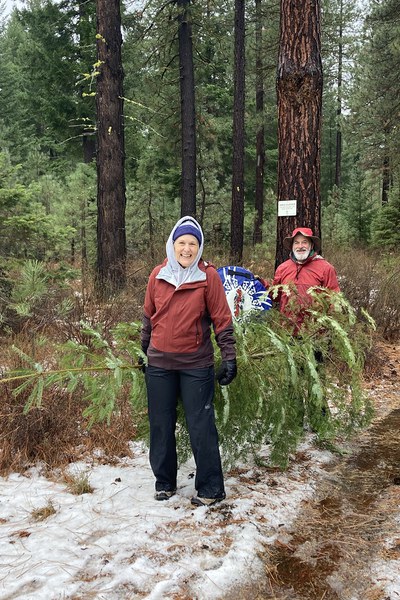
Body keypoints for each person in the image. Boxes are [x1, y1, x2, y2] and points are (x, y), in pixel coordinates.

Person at [141, 216, 237, 506]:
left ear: (199, 247)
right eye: (181, 243)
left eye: (192, 244)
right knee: (160, 424)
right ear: (172, 245)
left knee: (201, 425)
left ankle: (210, 489)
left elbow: (222, 319)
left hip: (196, 365)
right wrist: (143, 351)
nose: (186, 249)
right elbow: (148, 316)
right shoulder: (158, 274)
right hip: (159, 365)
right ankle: (164, 482)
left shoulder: (208, 277)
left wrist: (229, 357)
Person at [270, 227, 340, 331]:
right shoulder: (283, 268)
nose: (300, 246)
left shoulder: (326, 268)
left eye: (304, 242)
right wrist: (260, 283)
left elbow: (334, 299)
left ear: (311, 245)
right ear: (292, 246)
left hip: (314, 332)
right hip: (287, 331)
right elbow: (275, 295)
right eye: (296, 243)